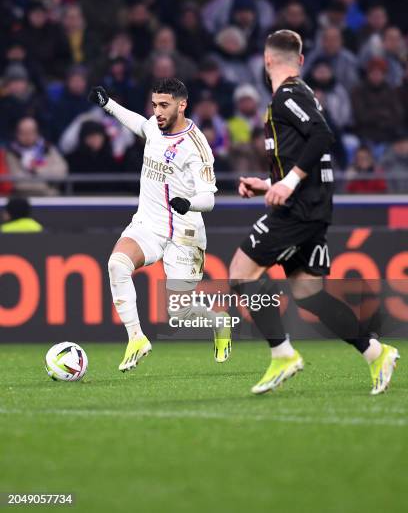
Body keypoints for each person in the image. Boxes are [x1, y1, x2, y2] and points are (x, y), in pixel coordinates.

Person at [228, 30, 399, 396]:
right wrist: (267, 182)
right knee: (308, 291)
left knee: (241, 273)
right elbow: (305, 149)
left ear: (267, 60)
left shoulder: (288, 95)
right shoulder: (303, 95)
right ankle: (375, 352)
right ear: (301, 60)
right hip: (313, 205)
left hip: (299, 208)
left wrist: (287, 184)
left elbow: (323, 135)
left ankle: (282, 353)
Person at [87, 79, 231, 371]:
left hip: (184, 232)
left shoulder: (196, 146)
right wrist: (109, 105)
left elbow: (209, 197)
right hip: (149, 224)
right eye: (154, 104)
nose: (158, 111)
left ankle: (219, 321)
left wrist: (189, 203)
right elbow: (141, 125)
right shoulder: (155, 124)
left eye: (164, 105)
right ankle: (137, 338)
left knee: (178, 314)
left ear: (182, 105)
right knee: (117, 264)